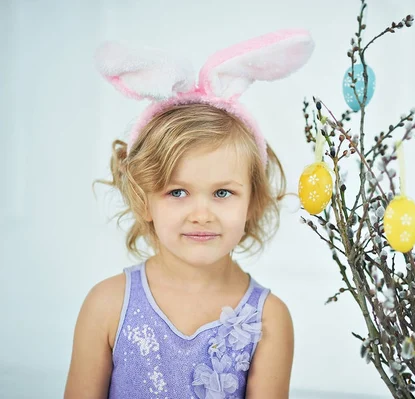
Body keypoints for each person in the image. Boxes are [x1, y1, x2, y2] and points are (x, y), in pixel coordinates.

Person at [64, 29, 314, 399]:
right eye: (177, 192)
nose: (201, 214)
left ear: (253, 202)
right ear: (144, 200)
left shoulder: (269, 320)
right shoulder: (106, 305)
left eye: (223, 193)